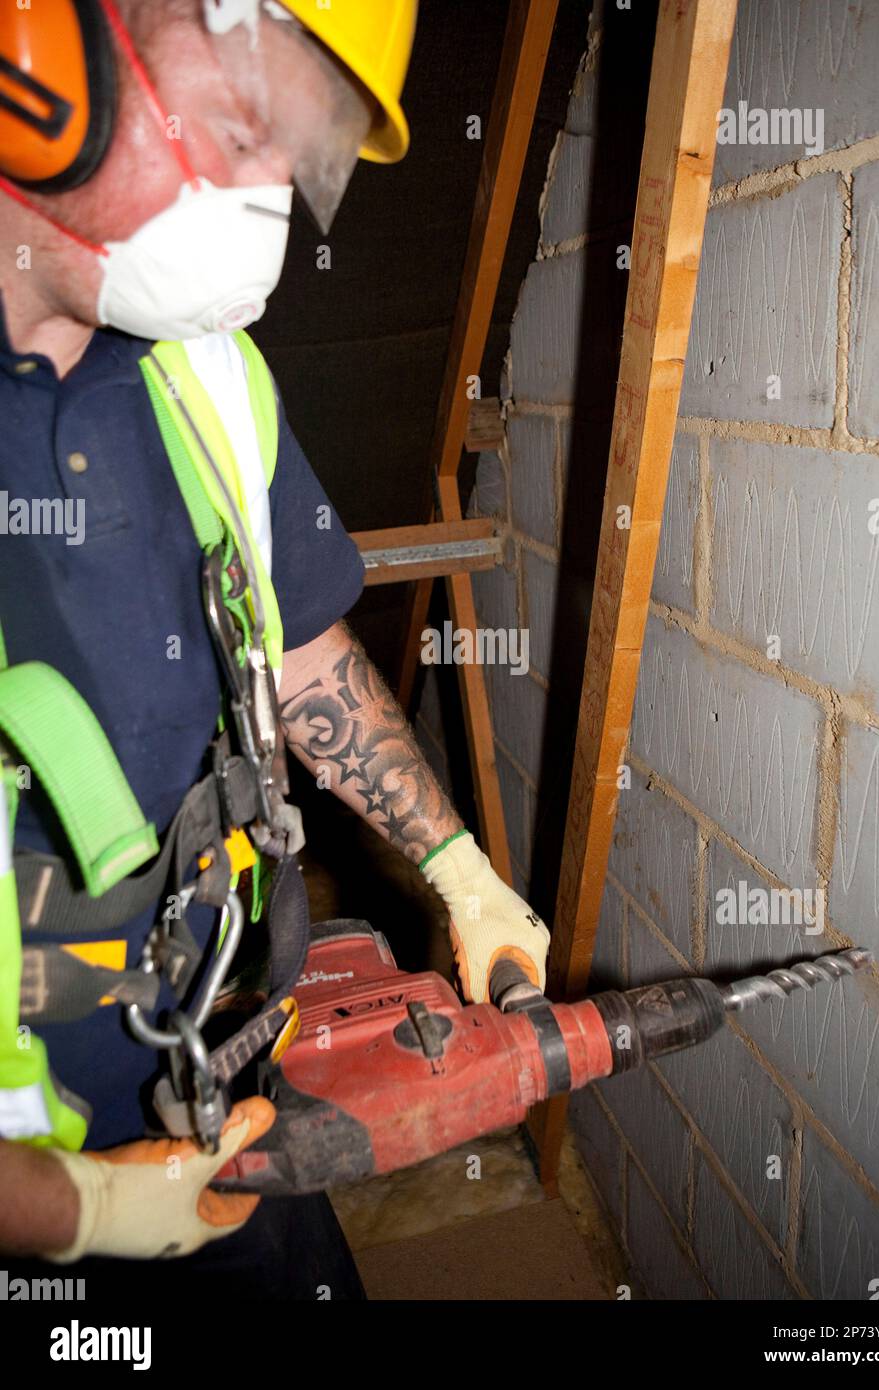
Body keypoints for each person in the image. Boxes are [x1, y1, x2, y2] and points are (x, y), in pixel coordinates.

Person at [0, 0, 550, 1300]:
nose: (266, 209)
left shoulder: (210, 385)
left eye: (297, 155)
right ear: (41, 59)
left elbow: (302, 659)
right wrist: (64, 1209)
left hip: (221, 1066)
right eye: (248, 118)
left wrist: (458, 873)